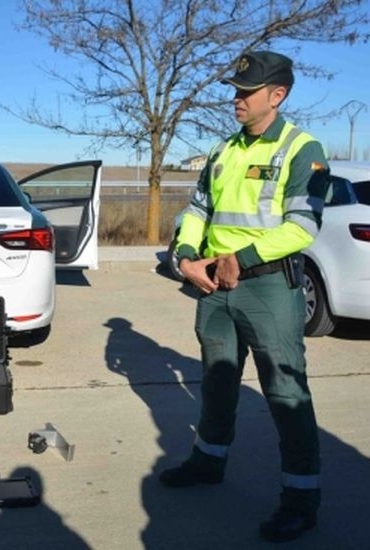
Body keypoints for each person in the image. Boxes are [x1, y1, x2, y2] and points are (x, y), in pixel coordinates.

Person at [162, 51, 328, 543]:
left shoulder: (302, 149)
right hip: (213, 288)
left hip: (269, 288)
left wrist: (244, 258)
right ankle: (208, 463)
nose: (235, 98)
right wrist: (187, 254)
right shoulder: (224, 150)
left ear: (277, 95)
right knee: (216, 382)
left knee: (285, 393)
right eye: (235, 89)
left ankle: (301, 499)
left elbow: (302, 227)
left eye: (246, 91)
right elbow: (197, 209)